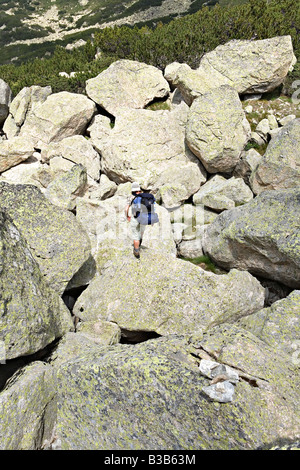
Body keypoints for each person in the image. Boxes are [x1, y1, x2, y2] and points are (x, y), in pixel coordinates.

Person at [125, 182, 146, 259]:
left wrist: (127, 216)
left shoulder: (131, 197)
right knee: (141, 231)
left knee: (135, 234)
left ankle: (136, 251)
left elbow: (126, 208)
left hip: (135, 218)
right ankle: (140, 242)